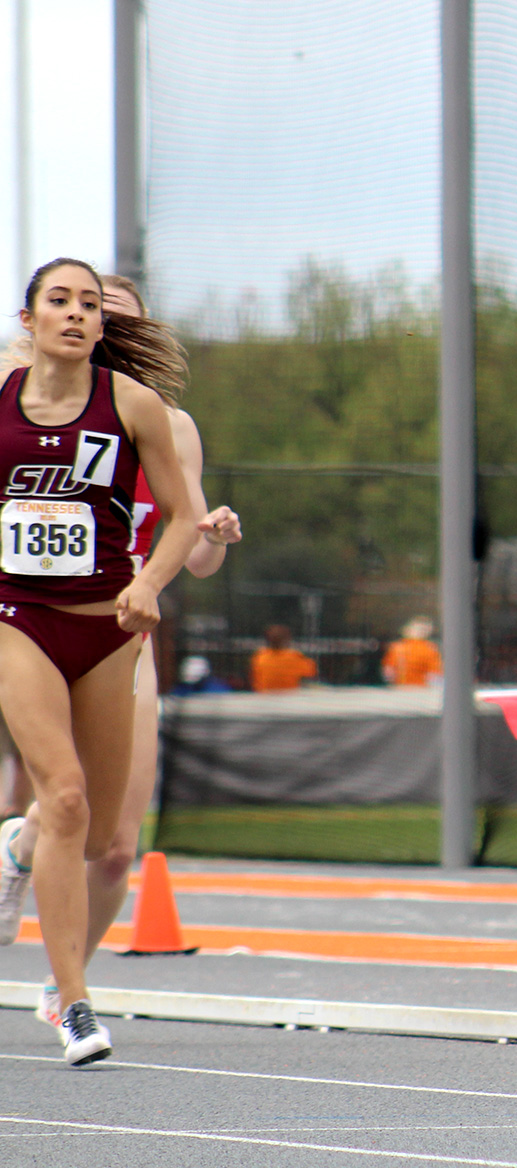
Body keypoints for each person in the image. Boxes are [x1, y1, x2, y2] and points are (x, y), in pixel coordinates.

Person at [0, 258, 200, 1064]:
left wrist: (149, 581)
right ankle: (73, 1002)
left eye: (91, 305)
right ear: (31, 318)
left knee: (96, 837)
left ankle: (16, 848)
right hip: (20, 622)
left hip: (112, 629)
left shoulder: (135, 406)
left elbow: (183, 517)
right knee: (69, 795)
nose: (78, 315)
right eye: (61, 301)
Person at [251, 624, 316, 692]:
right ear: (286, 640)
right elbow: (311, 671)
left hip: (263, 698)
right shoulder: (294, 657)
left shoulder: (259, 657)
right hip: (289, 698)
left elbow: (254, 678)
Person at [382, 615, 443, 686]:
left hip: (402, 689)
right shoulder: (430, 648)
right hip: (419, 690)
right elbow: (435, 675)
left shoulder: (397, 647)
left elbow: (388, 673)